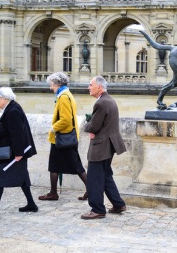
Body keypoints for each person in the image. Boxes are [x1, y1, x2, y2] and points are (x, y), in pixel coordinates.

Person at [0, 87, 38, 219]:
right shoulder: (12, 108)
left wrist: (18, 153)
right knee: (23, 178)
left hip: (13, 153)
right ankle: (31, 204)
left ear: (5, 98)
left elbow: (17, 134)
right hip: (14, 151)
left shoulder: (13, 111)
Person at [80, 76, 127, 220]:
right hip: (109, 144)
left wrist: (86, 126)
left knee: (94, 178)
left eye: (90, 85)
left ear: (99, 87)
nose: (88, 87)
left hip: (101, 146)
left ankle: (97, 209)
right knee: (106, 176)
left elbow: (94, 126)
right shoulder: (109, 100)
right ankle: (118, 204)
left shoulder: (101, 103)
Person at [38, 72, 87, 201]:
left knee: (61, 165)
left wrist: (53, 128)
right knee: (71, 165)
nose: (50, 88)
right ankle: (54, 192)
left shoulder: (64, 97)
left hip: (62, 138)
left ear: (58, 84)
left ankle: (54, 193)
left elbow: (65, 119)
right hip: (66, 137)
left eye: (52, 85)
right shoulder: (66, 95)